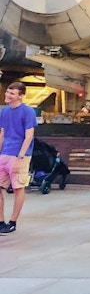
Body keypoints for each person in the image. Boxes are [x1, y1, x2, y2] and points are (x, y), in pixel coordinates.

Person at [0, 82, 37, 234]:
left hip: (19, 155)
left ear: (21, 96)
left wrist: (21, 155)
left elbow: (29, 135)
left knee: (18, 188)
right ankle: (1, 221)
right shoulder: (4, 111)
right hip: (5, 154)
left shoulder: (28, 111)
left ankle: (13, 222)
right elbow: (2, 133)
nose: (8, 95)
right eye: (8, 92)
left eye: (12, 93)